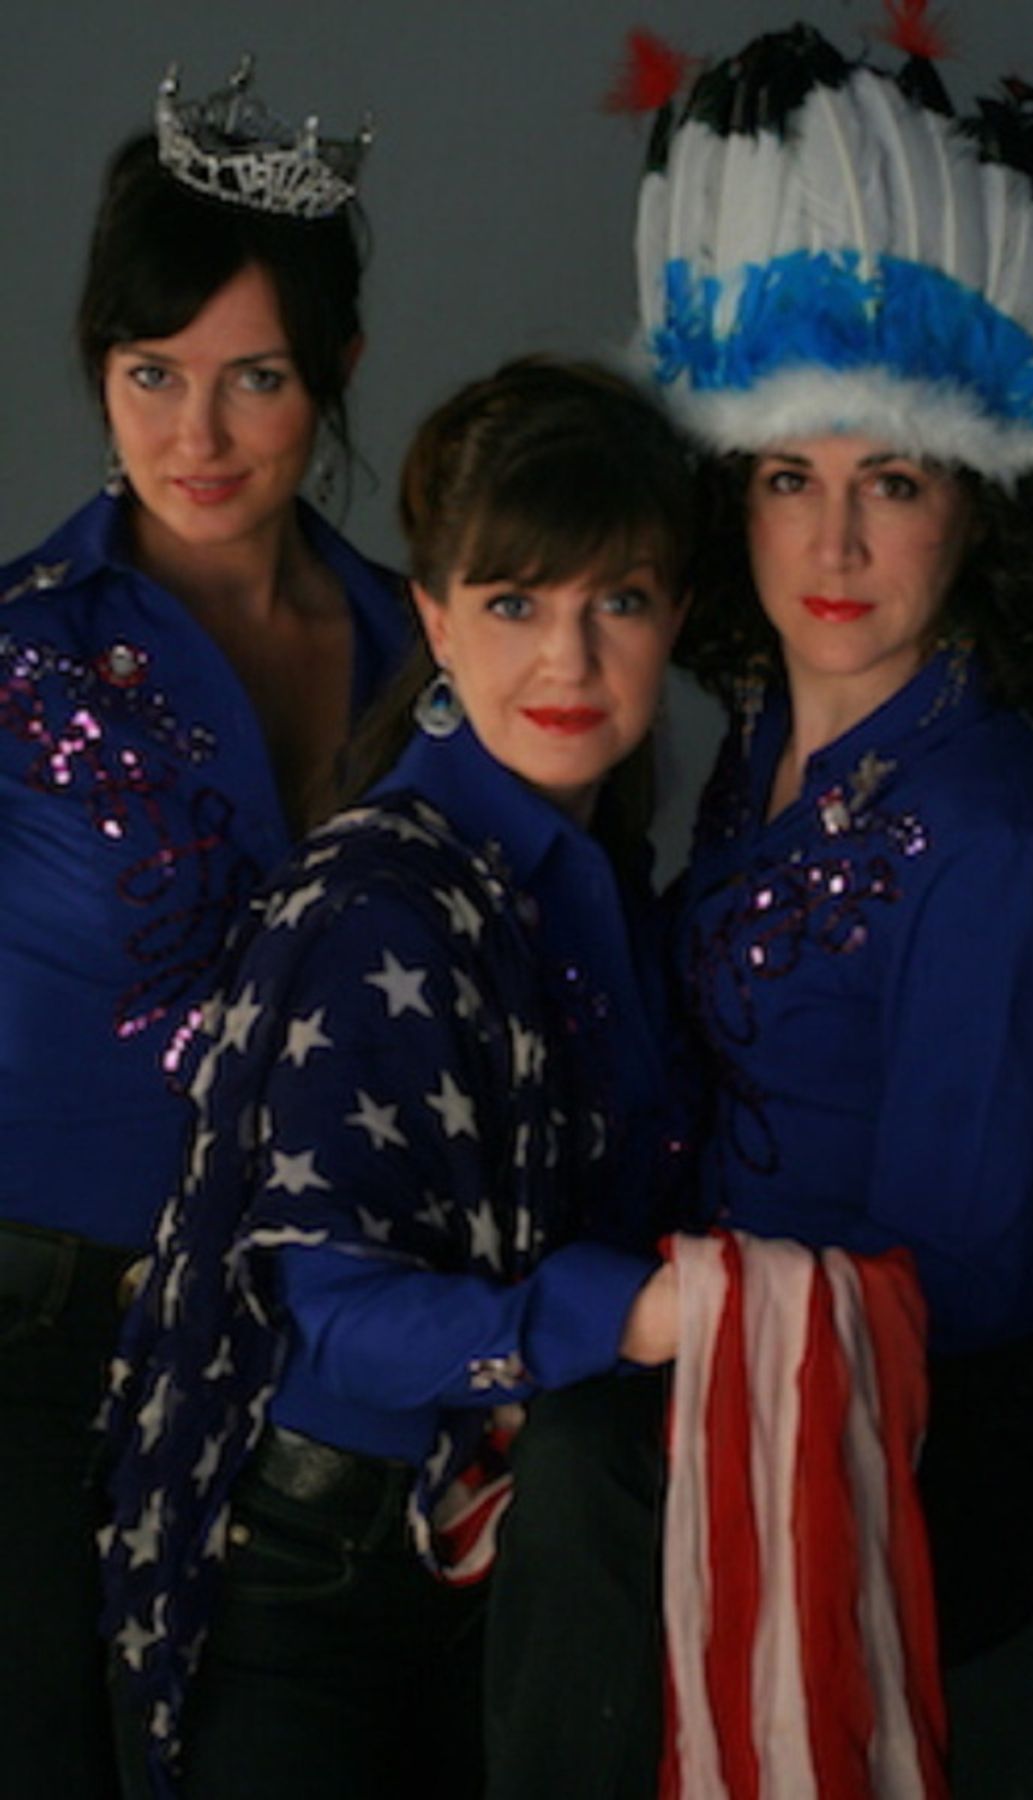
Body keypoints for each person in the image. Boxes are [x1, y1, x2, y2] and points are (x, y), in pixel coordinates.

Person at [486, 10, 1033, 1795]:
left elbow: (931, 1261)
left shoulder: (986, 826)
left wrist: (657, 1339)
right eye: (793, 479)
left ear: (975, 515)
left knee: (580, 1467)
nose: (837, 544)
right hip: (728, 1339)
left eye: (894, 483)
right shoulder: (762, 740)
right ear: (739, 500)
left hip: (920, 1408)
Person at [99, 355, 695, 1800]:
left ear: (675, 617)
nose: (569, 662)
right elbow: (339, 1318)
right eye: (514, 604)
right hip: (315, 1587)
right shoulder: (382, 899)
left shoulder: (598, 880)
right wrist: (633, 1314)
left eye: (617, 602)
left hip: (494, 1562)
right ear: (432, 617)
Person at [0, 58, 407, 1800]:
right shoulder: (20, 654)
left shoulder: (430, 653)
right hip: (33, 1335)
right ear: (99, 369)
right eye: (153, 372)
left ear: (336, 376)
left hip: (313, 1349)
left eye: (258, 377)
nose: (199, 436)